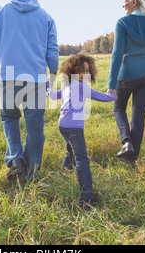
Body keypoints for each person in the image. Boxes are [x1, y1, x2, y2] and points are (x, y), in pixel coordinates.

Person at [0, 0, 59, 182]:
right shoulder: (46, 18)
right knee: (35, 125)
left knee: (9, 117)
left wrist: (1, 60)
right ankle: (32, 171)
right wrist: (52, 73)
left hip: (7, 75)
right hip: (35, 77)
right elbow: (52, 51)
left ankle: (16, 160)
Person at [48, 53, 115, 205]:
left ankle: (64, 174)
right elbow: (98, 96)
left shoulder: (67, 86)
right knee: (82, 159)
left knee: (71, 151)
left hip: (63, 126)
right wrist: (112, 96)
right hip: (73, 128)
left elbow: (52, 96)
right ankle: (86, 197)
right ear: (72, 70)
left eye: (87, 71)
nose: (85, 74)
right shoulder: (80, 86)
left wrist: (48, 86)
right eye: (81, 71)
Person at [108, 0, 145, 166]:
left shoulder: (123, 23)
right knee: (138, 118)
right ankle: (132, 161)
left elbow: (117, 54)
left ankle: (127, 142)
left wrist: (111, 83)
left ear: (134, 2)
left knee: (118, 109)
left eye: (126, 0)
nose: (123, 4)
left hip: (126, 75)